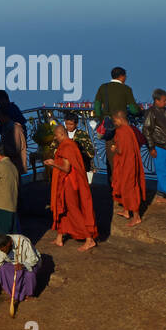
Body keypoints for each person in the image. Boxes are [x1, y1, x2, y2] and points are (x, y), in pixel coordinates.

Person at [45, 123, 97, 251]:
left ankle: (89, 239)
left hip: (69, 183)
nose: (55, 138)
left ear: (61, 134)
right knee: (63, 207)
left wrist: (53, 164)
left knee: (73, 210)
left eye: (56, 135)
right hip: (69, 182)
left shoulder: (67, 147)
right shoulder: (70, 144)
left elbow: (66, 168)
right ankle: (59, 238)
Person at [94, 66, 141, 182]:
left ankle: (112, 183)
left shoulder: (103, 88)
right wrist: (140, 112)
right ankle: (124, 184)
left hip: (108, 127)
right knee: (124, 155)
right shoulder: (126, 89)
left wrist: (102, 120)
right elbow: (134, 109)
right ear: (122, 76)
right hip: (122, 127)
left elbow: (97, 106)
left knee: (110, 156)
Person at [111, 109, 146, 226]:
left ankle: (136, 217)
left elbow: (121, 150)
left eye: (115, 120)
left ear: (120, 119)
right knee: (124, 185)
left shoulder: (122, 132)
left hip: (127, 164)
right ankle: (126, 211)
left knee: (130, 189)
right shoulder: (130, 130)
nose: (114, 123)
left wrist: (114, 148)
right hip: (130, 162)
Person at [0, 232, 41, 304]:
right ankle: (15, 295)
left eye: (3, 250)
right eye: (1, 250)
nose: (2, 252)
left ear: (9, 243)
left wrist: (23, 265)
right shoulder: (0, 248)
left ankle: (28, 295)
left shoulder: (23, 241)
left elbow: (33, 259)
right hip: (15, 264)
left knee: (29, 274)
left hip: (30, 263)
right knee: (3, 269)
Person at [142, 89, 166, 204]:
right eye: (164, 100)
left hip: (163, 145)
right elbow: (146, 130)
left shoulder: (164, 111)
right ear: (156, 100)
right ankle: (162, 193)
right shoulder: (151, 112)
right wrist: (151, 148)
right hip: (158, 146)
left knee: (163, 171)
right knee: (161, 171)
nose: (165, 102)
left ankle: (161, 194)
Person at [0, 145, 19, 235]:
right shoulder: (13, 166)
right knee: (13, 234)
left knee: (2, 233)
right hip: (13, 204)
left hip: (2, 205)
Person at [63, 112, 95, 183]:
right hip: (65, 166)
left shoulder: (82, 134)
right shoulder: (62, 134)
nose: (68, 126)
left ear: (76, 124)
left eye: (71, 124)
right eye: (66, 124)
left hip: (79, 165)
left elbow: (91, 152)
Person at [0, 106, 28, 175]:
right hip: (12, 165)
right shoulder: (6, 127)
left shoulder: (15, 129)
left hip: (16, 165)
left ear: (6, 116)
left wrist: (0, 145)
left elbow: (16, 149)